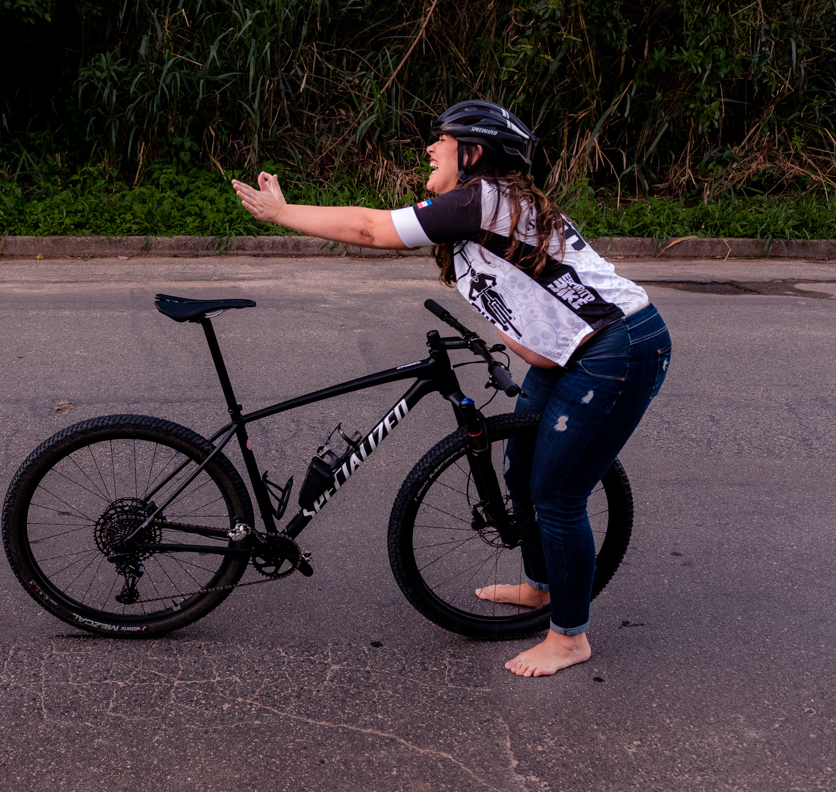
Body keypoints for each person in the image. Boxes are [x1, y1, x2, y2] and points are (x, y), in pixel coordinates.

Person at [232, 100, 671, 677]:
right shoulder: (485, 209)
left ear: (474, 153)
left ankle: (569, 638)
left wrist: (283, 213)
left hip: (619, 348)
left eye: (442, 140)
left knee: (558, 495)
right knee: (520, 469)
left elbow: (372, 228)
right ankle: (542, 587)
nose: (430, 149)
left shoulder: (482, 199)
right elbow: (532, 315)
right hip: (573, 351)